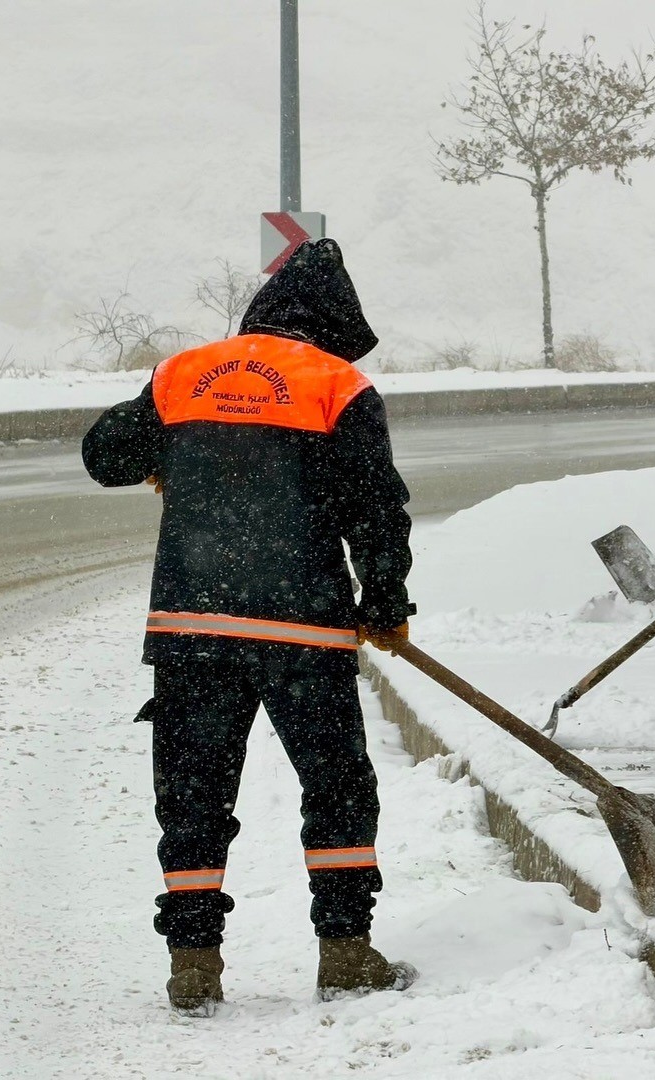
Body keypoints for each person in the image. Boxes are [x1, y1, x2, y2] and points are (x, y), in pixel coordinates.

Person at [82, 239, 417, 1012]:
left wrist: (174, 443)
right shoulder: (338, 384)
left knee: (194, 795)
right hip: (304, 630)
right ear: (335, 325)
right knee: (335, 788)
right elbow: (376, 509)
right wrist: (385, 601)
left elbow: (105, 459)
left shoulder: (184, 373)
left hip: (193, 624)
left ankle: (192, 964)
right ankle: (345, 951)